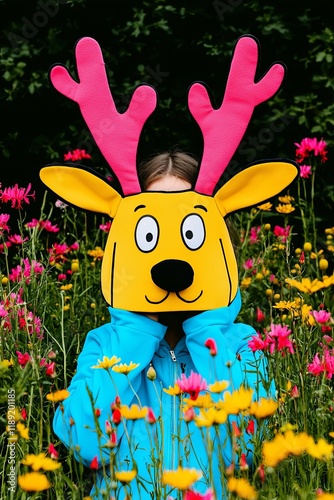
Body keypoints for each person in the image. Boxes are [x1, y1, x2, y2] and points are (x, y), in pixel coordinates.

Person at [53, 150, 272, 499]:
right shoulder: (105, 344)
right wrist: (136, 333)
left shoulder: (243, 344)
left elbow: (249, 448)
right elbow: (87, 447)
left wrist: (207, 327)